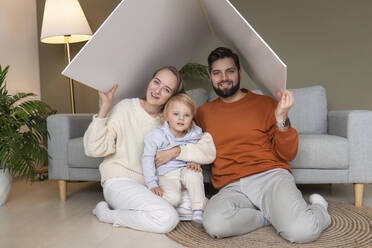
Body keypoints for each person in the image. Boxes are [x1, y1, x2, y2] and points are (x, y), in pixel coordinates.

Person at [194, 47, 331, 243]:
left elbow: (288, 153)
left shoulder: (265, 104)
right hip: (231, 186)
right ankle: (269, 217)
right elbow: (184, 139)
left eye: (230, 71)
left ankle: (319, 209)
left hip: (271, 177)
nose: (224, 77)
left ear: (240, 73)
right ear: (211, 76)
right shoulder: (203, 113)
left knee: (302, 232)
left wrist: (282, 118)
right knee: (214, 224)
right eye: (217, 73)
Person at [84, 66, 215, 233]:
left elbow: (201, 142)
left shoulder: (172, 118)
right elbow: (93, 149)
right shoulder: (126, 108)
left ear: (172, 97)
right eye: (156, 82)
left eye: (166, 89)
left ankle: (139, 208)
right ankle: (107, 214)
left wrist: (180, 153)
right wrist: (105, 107)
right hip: (121, 181)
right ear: (150, 81)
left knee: (202, 207)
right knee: (168, 219)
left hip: (155, 185)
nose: (157, 90)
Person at [142, 93, 215, 224]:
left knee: (195, 174)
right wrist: (152, 183)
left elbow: (197, 150)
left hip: (185, 168)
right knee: (174, 199)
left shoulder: (194, 133)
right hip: (166, 173)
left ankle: (198, 209)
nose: (181, 118)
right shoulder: (157, 135)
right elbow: (147, 159)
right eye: (176, 114)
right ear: (166, 116)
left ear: (192, 118)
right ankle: (146, 204)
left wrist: (194, 162)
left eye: (186, 115)